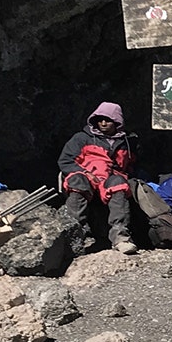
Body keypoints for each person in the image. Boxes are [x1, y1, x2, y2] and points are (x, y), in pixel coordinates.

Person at [59, 100, 140, 254]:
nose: (103, 123)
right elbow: (65, 161)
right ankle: (71, 238)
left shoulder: (127, 142)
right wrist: (85, 173)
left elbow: (132, 165)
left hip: (110, 179)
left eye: (108, 120)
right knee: (78, 181)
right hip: (86, 177)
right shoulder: (81, 138)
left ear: (117, 122)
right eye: (100, 120)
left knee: (119, 183)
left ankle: (121, 238)